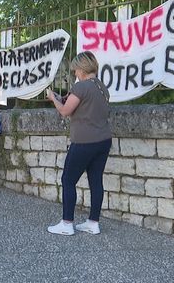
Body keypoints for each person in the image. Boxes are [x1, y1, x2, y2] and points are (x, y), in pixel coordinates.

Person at [45, 51, 112, 236]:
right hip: (103, 140)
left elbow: (65, 111)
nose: (75, 74)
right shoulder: (101, 87)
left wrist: (53, 99)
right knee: (96, 181)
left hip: (84, 141)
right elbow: (86, 108)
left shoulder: (81, 87)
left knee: (68, 180)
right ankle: (93, 222)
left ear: (82, 69)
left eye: (76, 71)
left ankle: (67, 224)